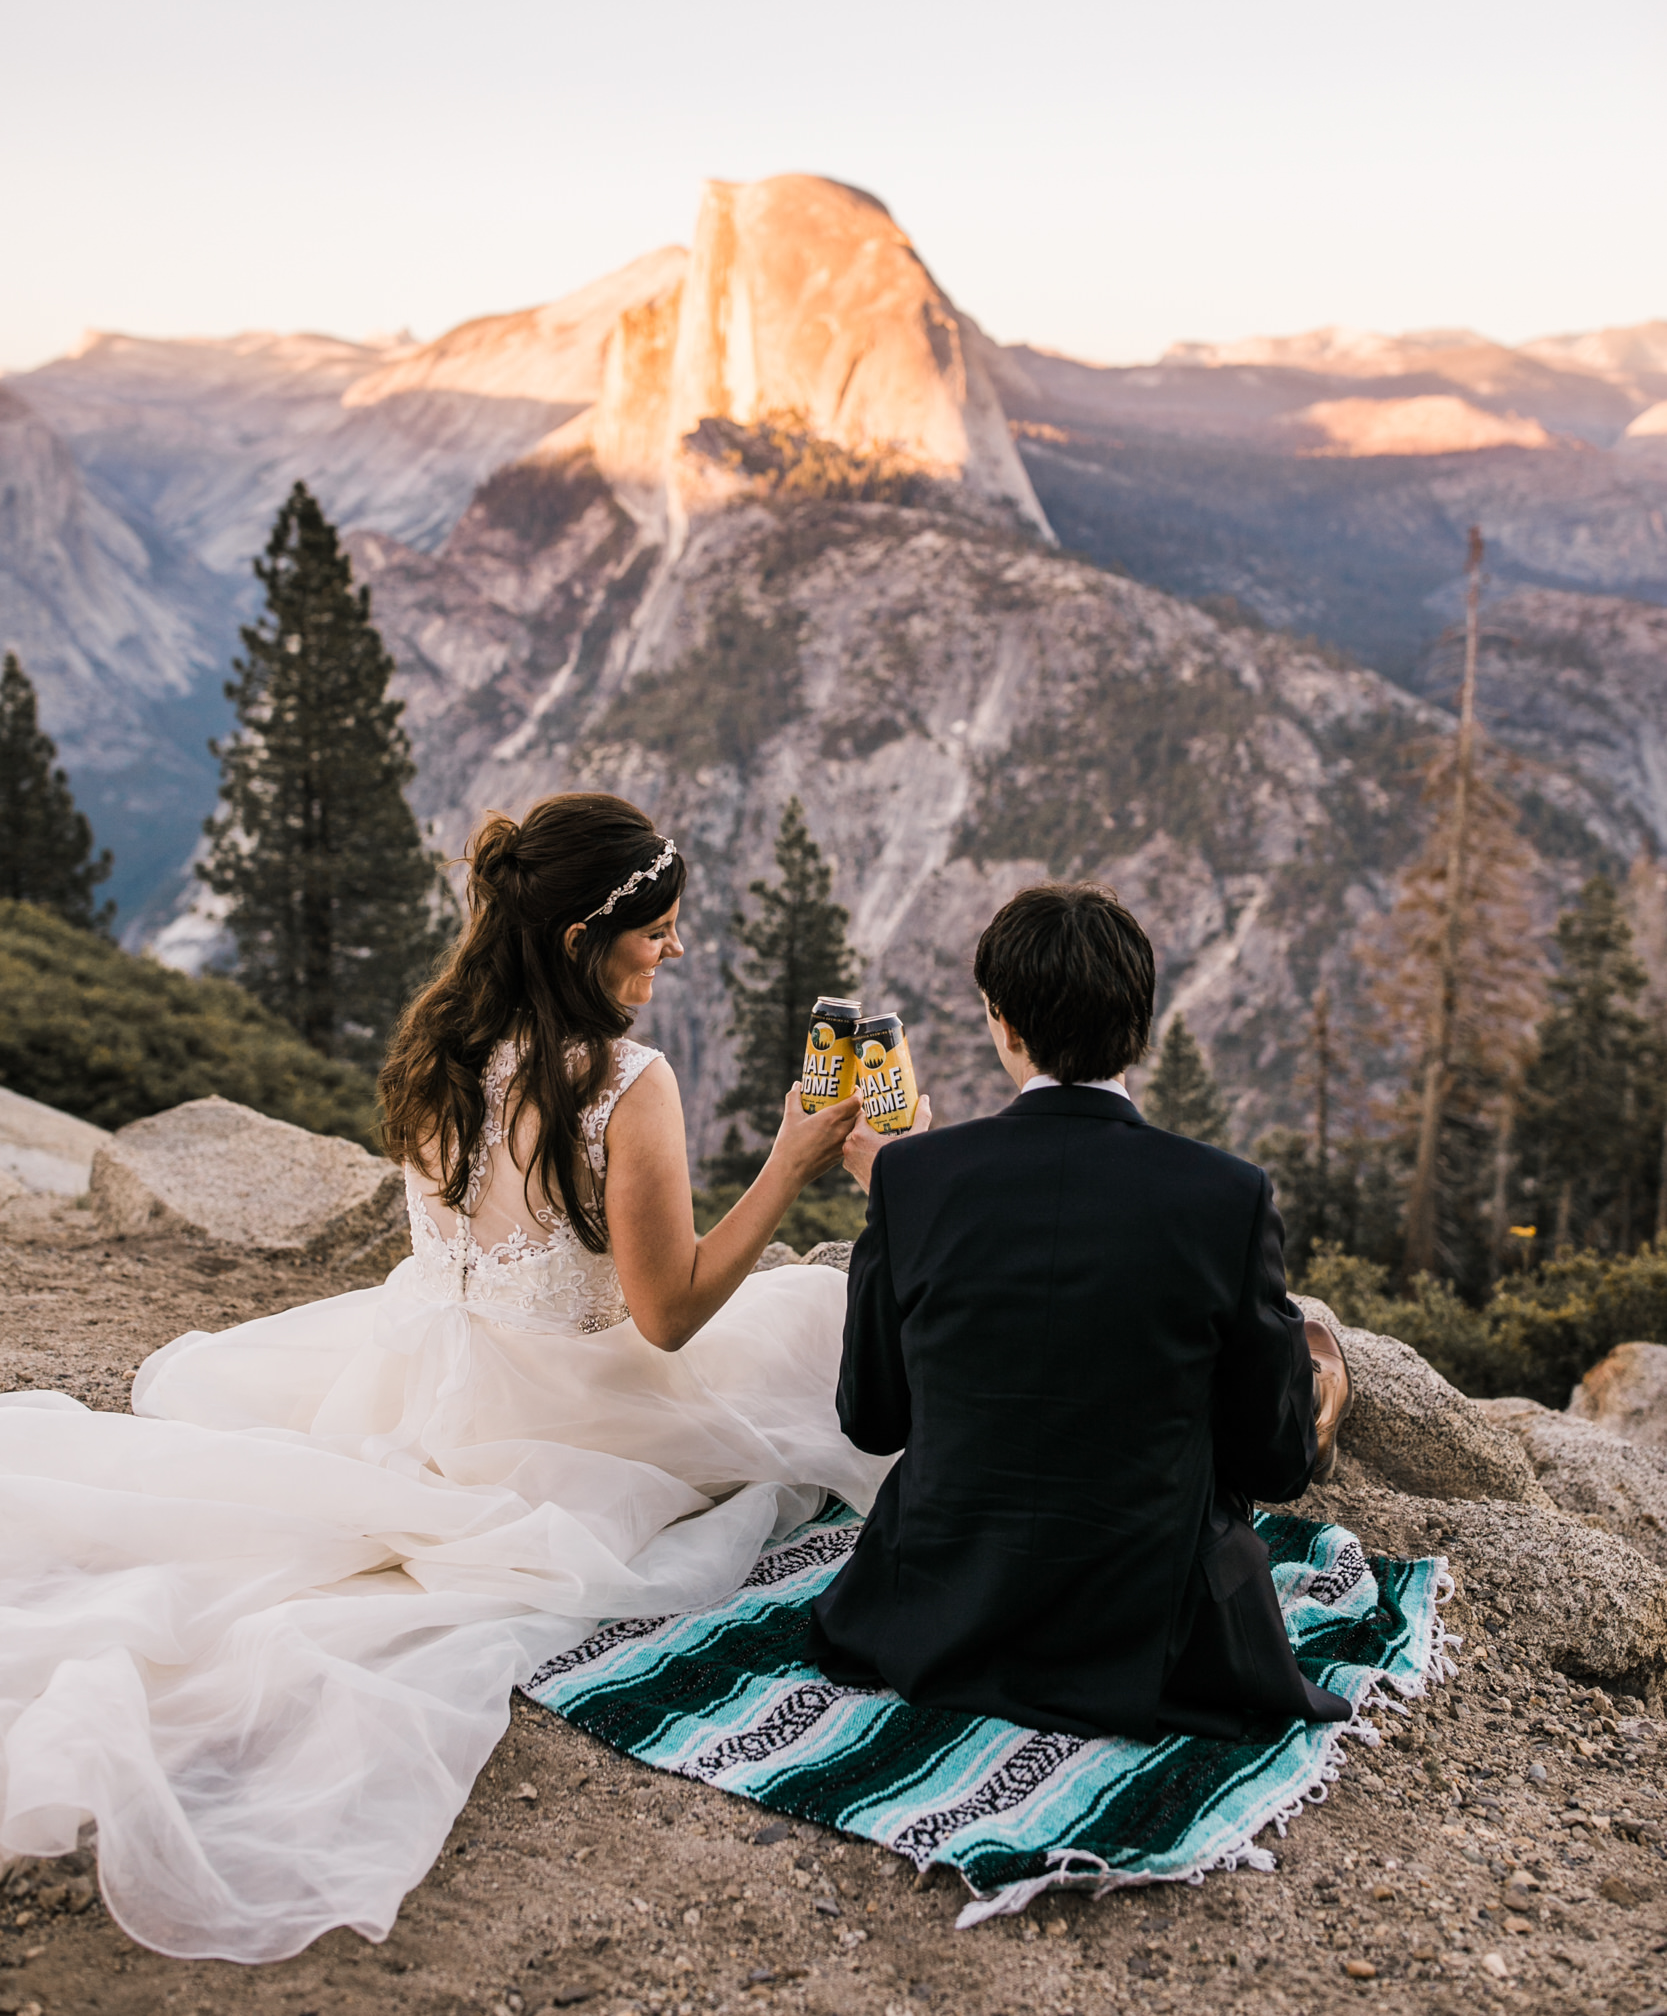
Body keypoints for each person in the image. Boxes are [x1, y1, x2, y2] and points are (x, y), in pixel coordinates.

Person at [0, 794, 894, 1963]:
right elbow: (666, 1314)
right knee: (817, 1329)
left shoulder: (445, 1037)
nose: (675, 948)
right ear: (582, 939)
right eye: (657, 928)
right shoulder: (624, 1081)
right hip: (568, 1405)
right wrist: (790, 1157)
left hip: (421, 1372)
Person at [814, 880, 1353, 1743]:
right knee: (1293, 1369)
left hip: (933, 1622)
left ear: (1004, 1025)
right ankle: (1323, 1387)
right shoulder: (1227, 1195)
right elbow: (1270, 1465)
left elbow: (871, 1420)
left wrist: (903, 1206)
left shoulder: (909, 1178)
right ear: (1137, 1027)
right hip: (1158, 1647)